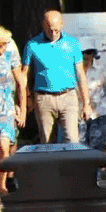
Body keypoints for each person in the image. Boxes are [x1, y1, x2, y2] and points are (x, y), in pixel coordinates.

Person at [24, 10, 87, 144]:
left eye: (56, 30)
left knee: (72, 139)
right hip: (43, 97)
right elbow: (24, 75)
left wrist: (86, 102)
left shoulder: (73, 43)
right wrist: (27, 97)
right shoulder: (32, 45)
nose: (53, 33)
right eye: (49, 29)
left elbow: (80, 74)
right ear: (43, 25)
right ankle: (49, 165)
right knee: (47, 141)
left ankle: (71, 165)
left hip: (68, 96)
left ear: (62, 25)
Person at [0, 24, 26, 185]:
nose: (4, 47)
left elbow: (19, 82)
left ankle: (1, 184)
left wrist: (21, 107)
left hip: (6, 108)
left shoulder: (7, 60)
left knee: (4, 149)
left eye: (6, 44)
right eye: (1, 44)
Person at [82, 49, 106, 154]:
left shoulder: (100, 69)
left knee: (96, 145)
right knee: (80, 145)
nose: (86, 56)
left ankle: (95, 170)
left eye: (89, 53)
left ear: (93, 54)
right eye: (84, 53)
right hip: (80, 113)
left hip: (98, 113)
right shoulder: (75, 69)